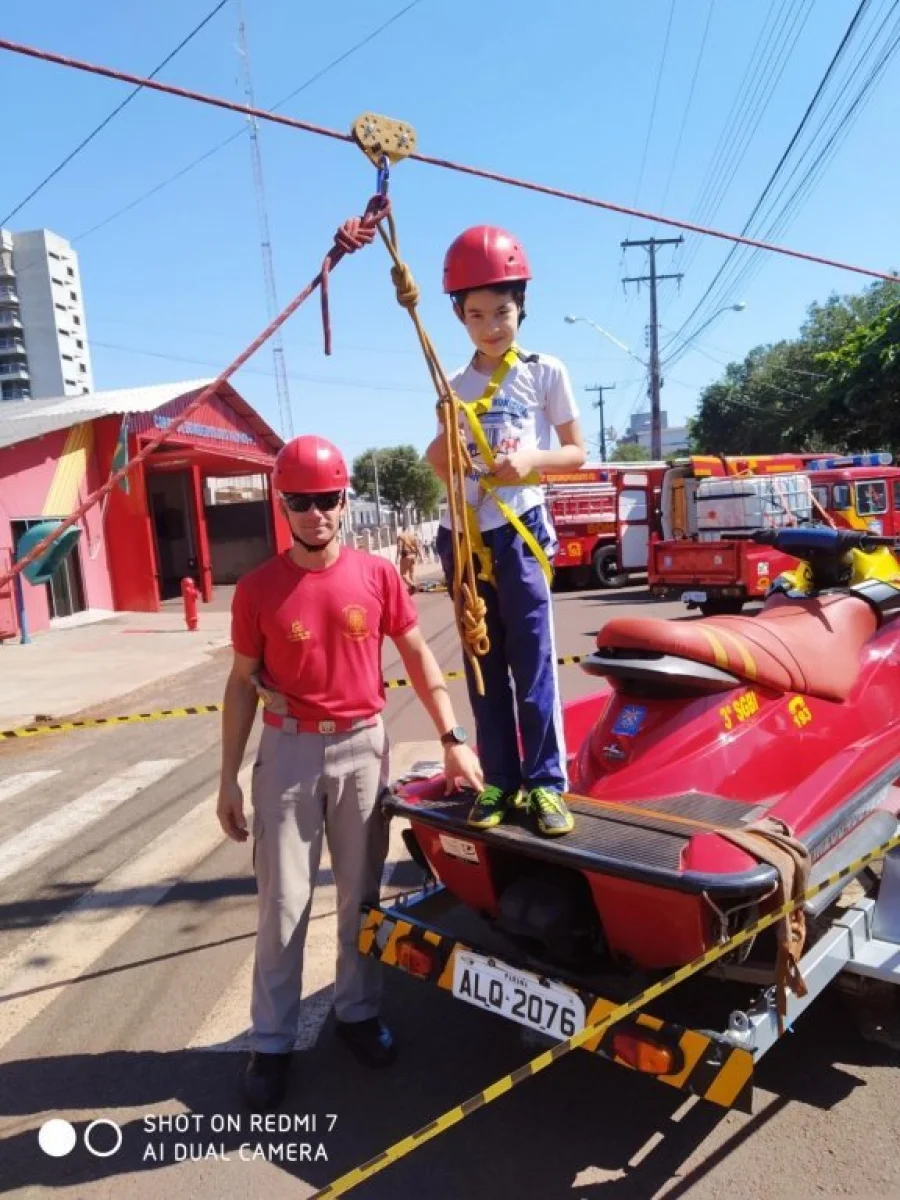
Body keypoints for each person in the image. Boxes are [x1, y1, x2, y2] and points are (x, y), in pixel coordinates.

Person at [217, 434, 483, 1113]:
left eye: (326, 499)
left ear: (344, 501)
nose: (314, 514)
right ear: (283, 505)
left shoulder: (378, 575)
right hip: (290, 753)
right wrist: (229, 778)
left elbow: (419, 653)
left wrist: (453, 738)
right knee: (283, 906)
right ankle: (270, 1043)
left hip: (364, 747)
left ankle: (357, 1012)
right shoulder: (256, 589)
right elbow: (243, 684)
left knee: (361, 898)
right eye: (300, 502)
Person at [426, 225, 586, 838]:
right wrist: (449, 445)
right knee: (482, 665)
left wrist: (530, 464)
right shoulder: (454, 387)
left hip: (519, 529)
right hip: (464, 536)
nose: (491, 326)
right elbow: (439, 460)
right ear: (460, 318)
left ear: (521, 308)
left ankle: (545, 784)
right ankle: (499, 780)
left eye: (502, 311)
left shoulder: (545, 372)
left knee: (533, 663)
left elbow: (576, 452)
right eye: (476, 315)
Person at [395, 525, 421, 594]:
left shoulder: (401, 536)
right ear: (407, 530)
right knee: (411, 573)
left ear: (402, 530)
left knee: (403, 574)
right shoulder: (412, 536)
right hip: (413, 556)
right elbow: (417, 547)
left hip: (406, 556)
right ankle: (412, 589)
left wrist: (397, 557)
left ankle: (413, 585)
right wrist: (420, 556)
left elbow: (399, 547)